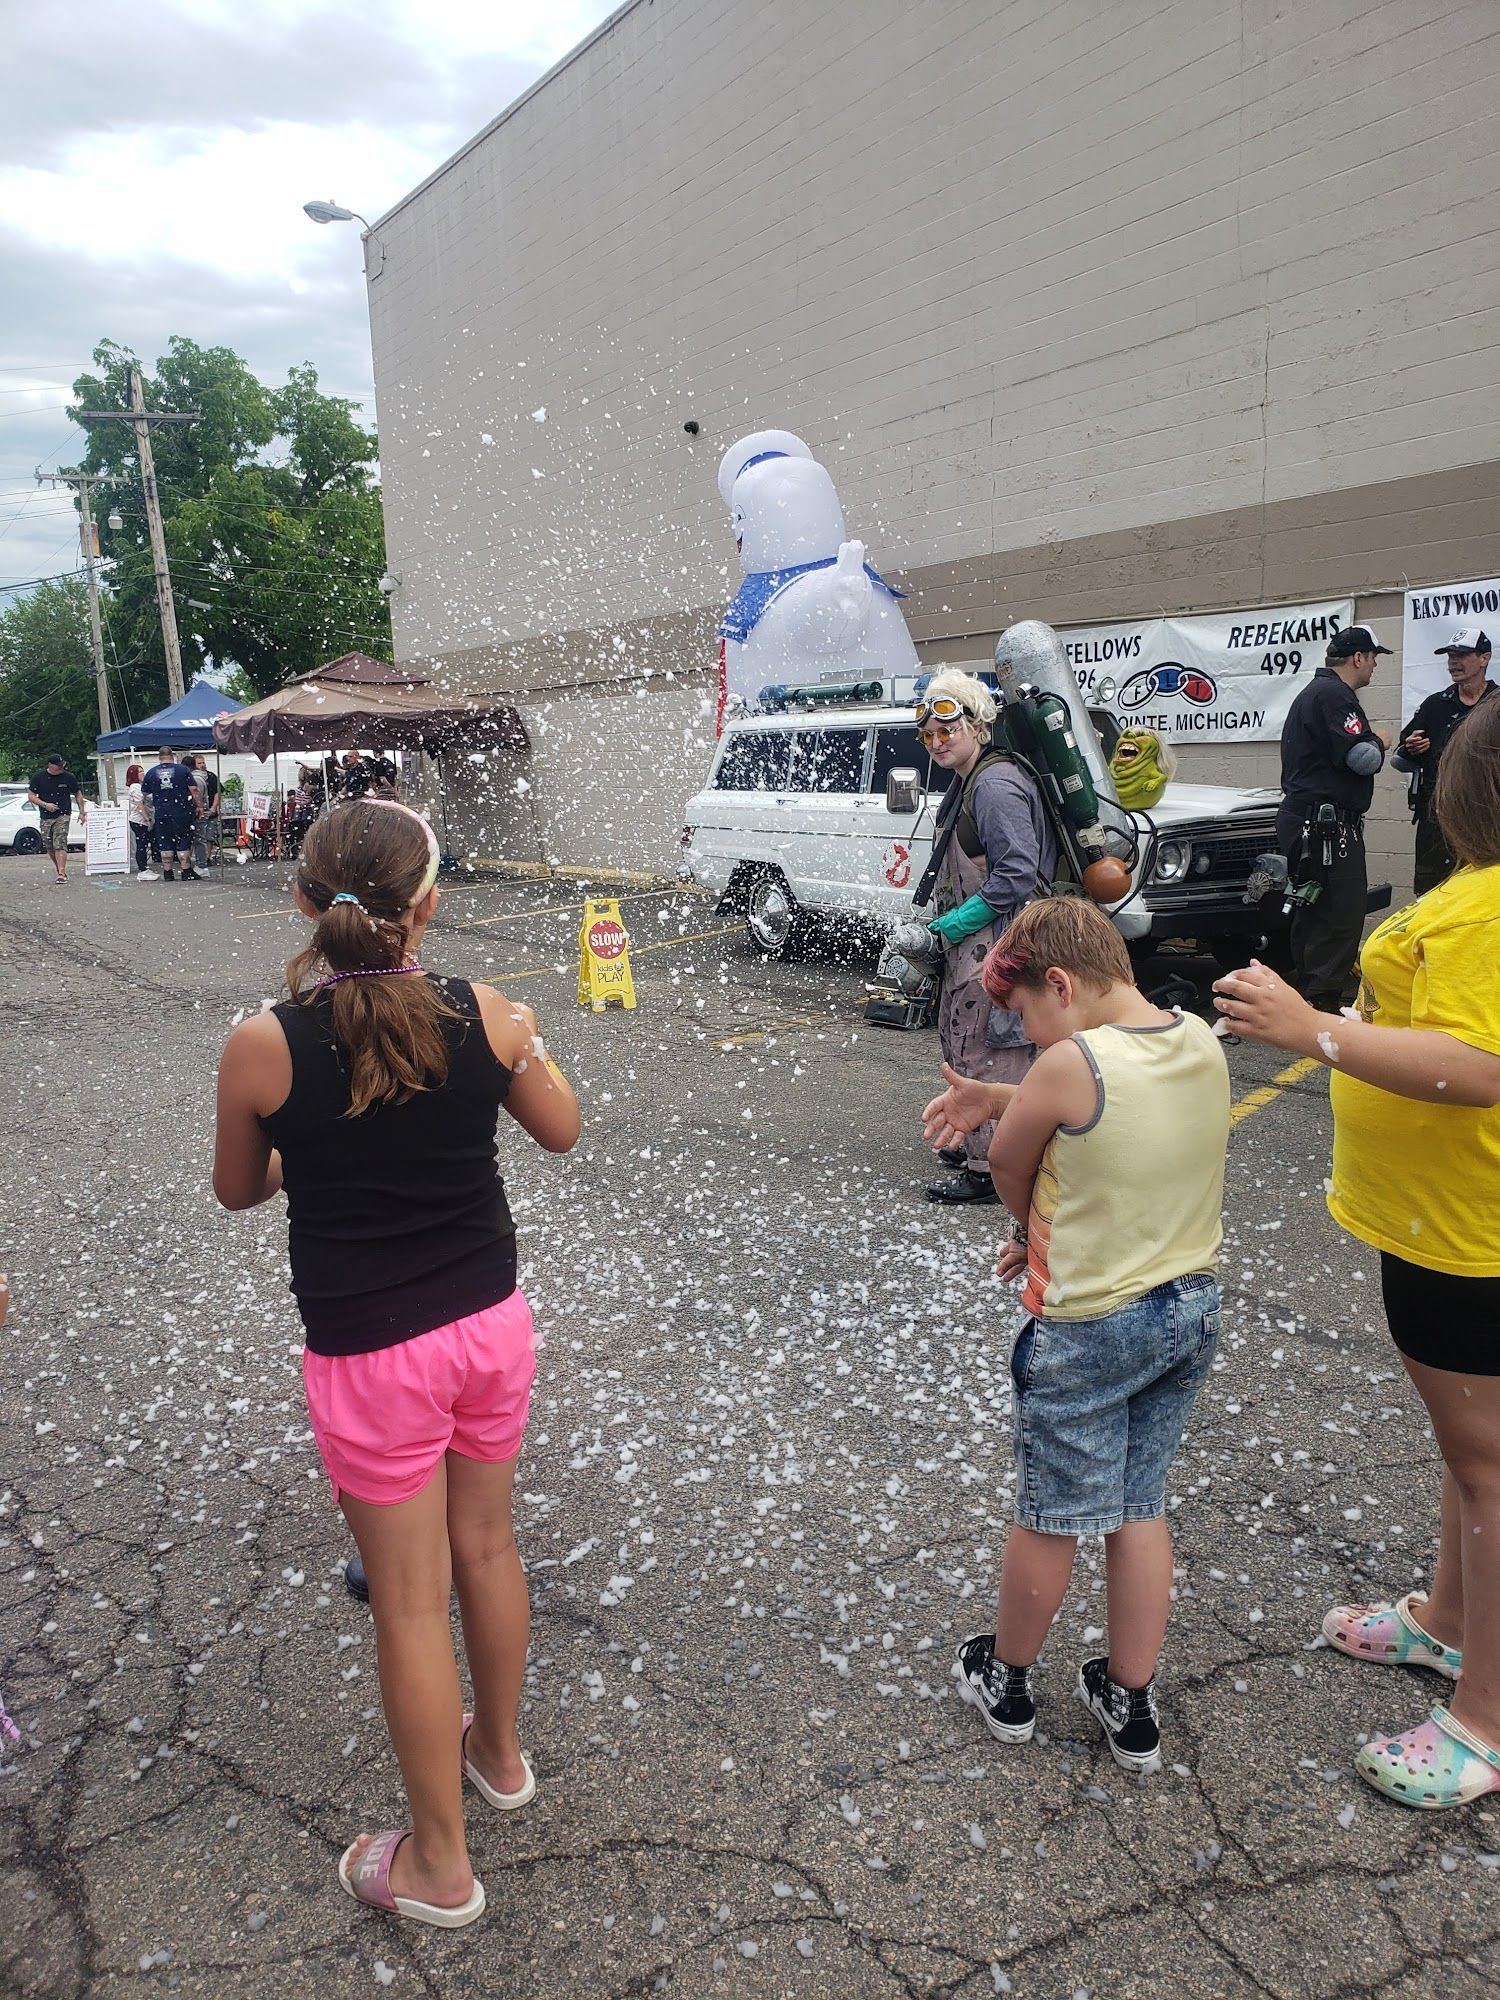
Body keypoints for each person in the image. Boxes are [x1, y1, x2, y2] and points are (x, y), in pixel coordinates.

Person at [213, 799, 581, 1925]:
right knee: (490, 1546)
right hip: (489, 1324)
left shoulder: (264, 1041)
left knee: (412, 1604)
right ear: (430, 904)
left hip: (371, 1349)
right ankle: (500, 1755)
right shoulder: (490, 1011)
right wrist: (526, 1038)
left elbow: (239, 1188)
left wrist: (306, 1150)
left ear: (303, 900)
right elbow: (562, 1126)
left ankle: (439, 1866)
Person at [1215, 694, 1500, 1810]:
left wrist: (1314, 1029)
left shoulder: (1485, 910)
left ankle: (1486, 1719)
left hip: (1467, 1241)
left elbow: (1479, 1065)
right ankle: (1447, 1621)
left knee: (1489, 1467)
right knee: (1468, 1456)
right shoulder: (1478, 898)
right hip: (1439, 1227)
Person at [925, 897, 1229, 1773]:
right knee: (1138, 1506)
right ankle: (1130, 1701)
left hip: (1091, 1324)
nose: (1025, 1036)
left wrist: (1029, 1230)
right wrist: (1003, 1094)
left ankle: (1008, 1680)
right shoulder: (1197, 1040)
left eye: (1024, 1015)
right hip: (1187, 1311)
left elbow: (1010, 1157)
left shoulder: (1068, 1062)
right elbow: (1116, 1111)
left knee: (1051, 1513)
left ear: (1059, 984)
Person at [916, 670, 1056, 1206]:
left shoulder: (995, 785)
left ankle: (991, 1170)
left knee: (990, 1049)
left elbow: (1017, 873)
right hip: (976, 943)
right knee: (962, 1041)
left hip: (999, 939)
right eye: (929, 735)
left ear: (977, 725)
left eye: (948, 730)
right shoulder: (968, 780)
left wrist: (957, 922)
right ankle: (975, 1139)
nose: (937, 742)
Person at [1276, 625, 1392, 1012]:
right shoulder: (1335, 696)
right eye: (1373, 657)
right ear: (1358, 657)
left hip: (1307, 820)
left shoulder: (1314, 693)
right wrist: (1380, 740)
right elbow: (1362, 759)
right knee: (1340, 915)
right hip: (1327, 826)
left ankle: (1306, 998)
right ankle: (1320, 1005)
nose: (1375, 666)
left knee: (1313, 911)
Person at [1393, 627, 1497, 895]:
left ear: (1484, 658)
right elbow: (1402, 755)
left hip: (1487, 819)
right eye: (1450, 656)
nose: (1453, 662)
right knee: (1431, 894)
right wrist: (1412, 748)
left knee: (1482, 895)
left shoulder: (1496, 705)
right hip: (1436, 821)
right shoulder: (1435, 705)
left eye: (1461, 655)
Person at [140, 747, 200, 882]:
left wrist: (155, 805)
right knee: (183, 840)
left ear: (159, 757)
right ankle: (186, 870)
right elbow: (194, 789)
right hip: (181, 811)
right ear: (172, 756)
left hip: (161, 813)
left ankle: (168, 872)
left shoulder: (151, 772)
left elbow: (144, 795)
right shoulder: (183, 770)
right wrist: (199, 805)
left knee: (165, 841)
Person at [27, 754, 87, 883]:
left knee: (60, 841)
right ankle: (59, 867)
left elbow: (78, 793)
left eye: (62, 765)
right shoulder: (39, 778)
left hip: (63, 814)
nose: (61, 768)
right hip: (46, 816)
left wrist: (82, 812)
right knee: (49, 845)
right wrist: (45, 805)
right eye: (58, 765)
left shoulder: (68, 777)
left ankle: (61, 872)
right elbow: (31, 796)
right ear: (50, 765)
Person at [124, 763, 157, 878]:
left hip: (143, 819)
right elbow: (139, 805)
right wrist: (147, 818)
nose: (142, 773)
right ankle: (142, 869)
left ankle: (144, 868)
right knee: (141, 844)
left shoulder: (141, 786)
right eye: (139, 772)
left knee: (144, 843)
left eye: (142, 771)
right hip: (138, 820)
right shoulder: (135, 787)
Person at [190, 756, 222, 871]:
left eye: (203, 762)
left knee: (209, 836)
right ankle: (193, 859)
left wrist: (213, 807)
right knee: (197, 837)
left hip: (210, 812)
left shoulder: (211, 776)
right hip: (198, 813)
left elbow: (218, 792)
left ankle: (207, 857)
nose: (202, 765)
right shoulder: (192, 778)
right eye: (199, 763)